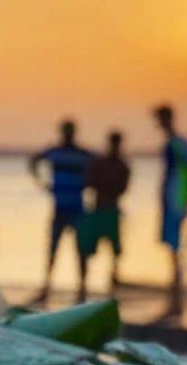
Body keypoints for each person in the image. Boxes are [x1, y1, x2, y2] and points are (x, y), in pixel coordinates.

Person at [29, 119, 93, 302]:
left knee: (80, 250)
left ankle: (82, 291)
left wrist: (89, 183)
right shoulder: (55, 152)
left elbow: (99, 165)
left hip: (78, 208)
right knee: (52, 249)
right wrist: (42, 183)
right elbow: (34, 160)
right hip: (60, 207)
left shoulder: (83, 154)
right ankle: (46, 288)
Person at [153, 104, 187, 315]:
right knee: (172, 246)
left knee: (175, 247)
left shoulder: (179, 144)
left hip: (176, 201)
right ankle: (175, 294)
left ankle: (177, 296)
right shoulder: (172, 143)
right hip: (171, 200)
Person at [77, 130, 131, 302]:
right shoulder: (101, 163)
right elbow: (89, 182)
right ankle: (83, 288)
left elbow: (122, 188)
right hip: (99, 209)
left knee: (114, 251)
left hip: (110, 210)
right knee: (87, 249)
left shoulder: (121, 166)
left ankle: (111, 285)